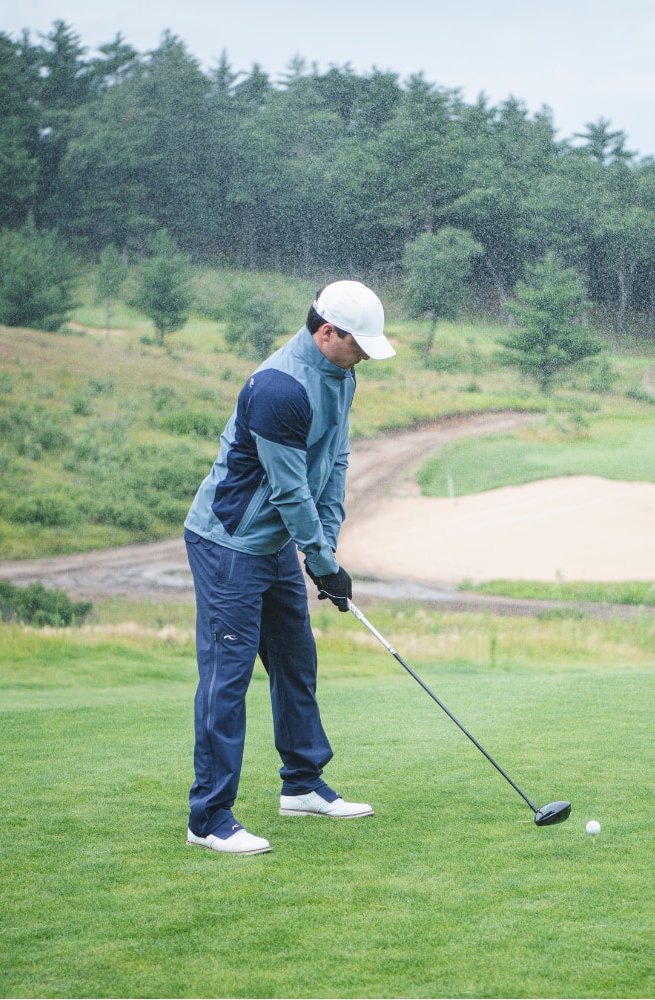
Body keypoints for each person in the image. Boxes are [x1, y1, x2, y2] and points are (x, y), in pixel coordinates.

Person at [181, 280, 396, 855]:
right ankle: (208, 819)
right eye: (358, 345)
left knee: (295, 658)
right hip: (230, 541)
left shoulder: (341, 373)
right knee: (228, 678)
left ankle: (301, 784)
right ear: (327, 332)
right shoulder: (279, 387)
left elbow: (335, 459)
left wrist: (327, 546)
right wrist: (321, 562)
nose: (364, 358)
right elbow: (289, 488)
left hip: (274, 540)